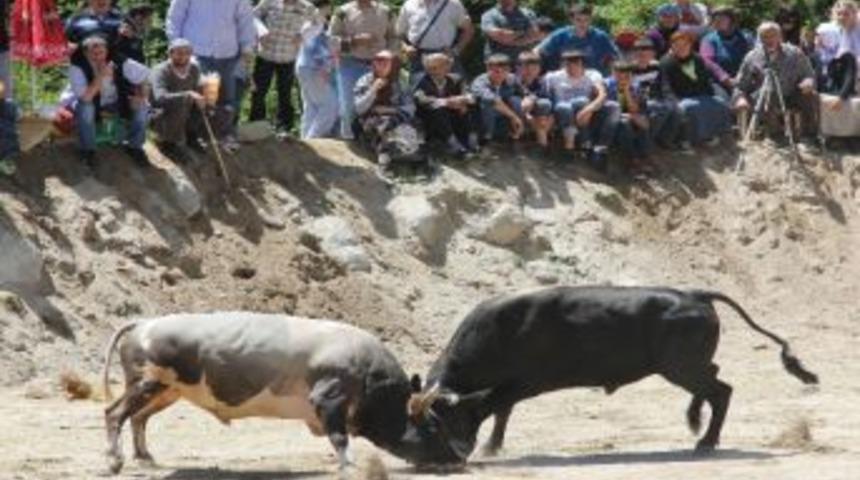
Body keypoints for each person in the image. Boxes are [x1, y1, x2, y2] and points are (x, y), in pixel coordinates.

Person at [166, 0, 257, 137]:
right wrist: (177, 45)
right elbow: (175, 17)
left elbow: (245, 19)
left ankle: (223, 135)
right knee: (200, 96)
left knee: (228, 99)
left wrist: (247, 47)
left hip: (229, 53)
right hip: (195, 51)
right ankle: (194, 136)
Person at [62, 35, 150, 167]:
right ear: (85, 53)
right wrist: (100, 76)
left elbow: (144, 76)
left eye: (101, 52)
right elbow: (86, 97)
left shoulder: (119, 61)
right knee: (86, 107)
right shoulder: (77, 67)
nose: (98, 57)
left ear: (107, 51)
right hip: (87, 102)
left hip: (116, 101)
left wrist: (141, 96)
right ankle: (88, 150)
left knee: (143, 106)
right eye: (94, 53)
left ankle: (135, 147)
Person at [150, 38, 230, 159]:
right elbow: (160, 98)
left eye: (187, 53)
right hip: (161, 112)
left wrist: (205, 98)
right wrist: (188, 95)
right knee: (182, 103)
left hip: (185, 108)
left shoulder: (193, 69)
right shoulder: (161, 71)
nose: (183, 57)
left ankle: (191, 136)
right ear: (170, 53)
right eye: (179, 53)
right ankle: (166, 143)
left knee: (213, 107)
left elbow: (197, 90)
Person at [328, 0, 398, 139]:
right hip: (349, 64)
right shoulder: (342, 12)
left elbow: (394, 37)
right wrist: (354, 40)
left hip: (378, 66)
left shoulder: (386, 12)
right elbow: (330, 40)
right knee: (349, 107)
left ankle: (372, 140)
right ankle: (348, 139)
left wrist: (388, 54)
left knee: (376, 104)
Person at [734, 22, 816, 135]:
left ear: (780, 36)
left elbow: (809, 74)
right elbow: (740, 84)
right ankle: (774, 135)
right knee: (769, 91)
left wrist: (808, 82)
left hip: (791, 92)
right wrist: (740, 98)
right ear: (760, 38)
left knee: (810, 95)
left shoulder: (795, 53)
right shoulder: (752, 57)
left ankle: (810, 135)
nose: (769, 39)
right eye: (765, 37)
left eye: (773, 35)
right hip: (764, 96)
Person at [250, 0, 319, 134]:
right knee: (258, 92)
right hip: (265, 55)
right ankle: (256, 125)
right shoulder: (269, 2)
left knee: (285, 94)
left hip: (288, 57)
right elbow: (253, 16)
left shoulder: (306, 6)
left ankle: (284, 128)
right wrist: (261, 31)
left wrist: (304, 35)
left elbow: (318, 23)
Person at [543, 49, 617, 170]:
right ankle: (572, 147)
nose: (571, 67)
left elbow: (602, 95)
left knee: (590, 102)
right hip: (561, 113)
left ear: (582, 64)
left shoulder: (593, 75)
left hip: (584, 114)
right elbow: (546, 96)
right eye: (567, 63)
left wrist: (588, 110)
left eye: (575, 63)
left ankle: (599, 148)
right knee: (564, 107)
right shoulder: (553, 77)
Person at [660, 31, 732, 147]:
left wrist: (711, 95)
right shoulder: (666, 62)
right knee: (687, 108)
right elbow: (665, 85)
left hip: (700, 94)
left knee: (719, 103)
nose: (681, 48)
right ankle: (687, 139)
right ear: (672, 46)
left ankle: (710, 134)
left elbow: (705, 80)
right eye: (677, 45)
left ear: (690, 45)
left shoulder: (697, 59)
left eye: (685, 45)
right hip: (680, 97)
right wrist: (674, 101)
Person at [354, 50, 418, 169]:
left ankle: (397, 153)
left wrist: (389, 110)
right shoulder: (365, 80)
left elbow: (411, 107)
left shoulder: (401, 82)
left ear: (394, 65)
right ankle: (384, 154)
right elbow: (359, 108)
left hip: (396, 116)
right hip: (370, 118)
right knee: (379, 124)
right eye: (377, 61)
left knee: (399, 125)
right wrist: (373, 90)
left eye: (385, 63)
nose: (379, 66)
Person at [412, 53, 477, 156]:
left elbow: (471, 97)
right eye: (430, 67)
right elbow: (420, 99)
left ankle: (471, 141)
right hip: (430, 119)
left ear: (448, 66)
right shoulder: (421, 80)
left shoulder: (456, 79)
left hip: (452, 116)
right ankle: (453, 144)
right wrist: (446, 102)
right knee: (438, 109)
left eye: (438, 67)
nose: (433, 71)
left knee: (465, 107)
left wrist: (461, 100)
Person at [535, 3, 619, 76]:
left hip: (592, 78)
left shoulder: (600, 37)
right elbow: (538, 51)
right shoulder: (560, 35)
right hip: (565, 78)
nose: (582, 24)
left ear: (591, 20)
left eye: (586, 20)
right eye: (578, 20)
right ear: (571, 20)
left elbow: (616, 57)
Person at [296, 0, 339, 139]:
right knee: (330, 105)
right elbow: (313, 47)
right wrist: (324, 67)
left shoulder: (311, 23)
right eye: (329, 6)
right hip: (314, 68)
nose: (331, 9)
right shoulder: (315, 23)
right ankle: (314, 139)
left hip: (305, 67)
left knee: (312, 107)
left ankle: (305, 141)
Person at [397, 0, 474, 76]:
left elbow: (468, 30)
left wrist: (456, 51)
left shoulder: (453, 4)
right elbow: (398, 33)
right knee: (419, 88)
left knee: (452, 87)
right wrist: (406, 47)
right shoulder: (409, 5)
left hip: (445, 57)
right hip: (418, 57)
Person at [632, 37, 681, 148]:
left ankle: (665, 140)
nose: (642, 57)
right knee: (662, 108)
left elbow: (663, 85)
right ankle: (646, 141)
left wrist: (669, 98)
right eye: (639, 53)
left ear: (652, 54)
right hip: (637, 102)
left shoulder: (656, 66)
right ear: (634, 54)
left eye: (646, 53)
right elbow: (631, 92)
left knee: (677, 109)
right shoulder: (630, 70)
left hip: (654, 98)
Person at [607, 61, 652, 172]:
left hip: (628, 117)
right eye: (619, 75)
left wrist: (627, 91)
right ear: (613, 73)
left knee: (642, 123)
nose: (622, 79)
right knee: (625, 123)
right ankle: (633, 159)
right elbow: (608, 109)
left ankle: (644, 157)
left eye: (626, 76)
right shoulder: (606, 85)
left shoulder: (635, 87)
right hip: (610, 121)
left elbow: (634, 109)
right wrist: (627, 116)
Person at [470, 53, 525, 143]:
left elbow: (525, 94)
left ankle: (516, 132)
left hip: (504, 113)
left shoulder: (512, 79)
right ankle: (487, 137)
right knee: (488, 104)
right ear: (488, 69)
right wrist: (514, 117)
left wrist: (527, 107)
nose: (500, 74)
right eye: (496, 71)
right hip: (480, 115)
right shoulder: (480, 82)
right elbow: (493, 101)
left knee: (516, 100)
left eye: (505, 71)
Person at [699, 7, 753, 80]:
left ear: (732, 20)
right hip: (719, 82)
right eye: (715, 20)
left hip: (746, 79)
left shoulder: (746, 37)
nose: (718, 21)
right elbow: (708, 62)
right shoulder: (708, 40)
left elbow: (755, 58)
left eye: (722, 19)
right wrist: (725, 79)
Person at [516, 51, 554, 148]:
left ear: (539, 69)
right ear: (518, 68)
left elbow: (546, 96)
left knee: (545, 103)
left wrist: (532, 98)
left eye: (534, 68)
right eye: (526, 68)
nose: (530, 71)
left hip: (537, 116)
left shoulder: (542, 82)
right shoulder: (514, 81)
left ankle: (542, 144)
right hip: (519, 112)